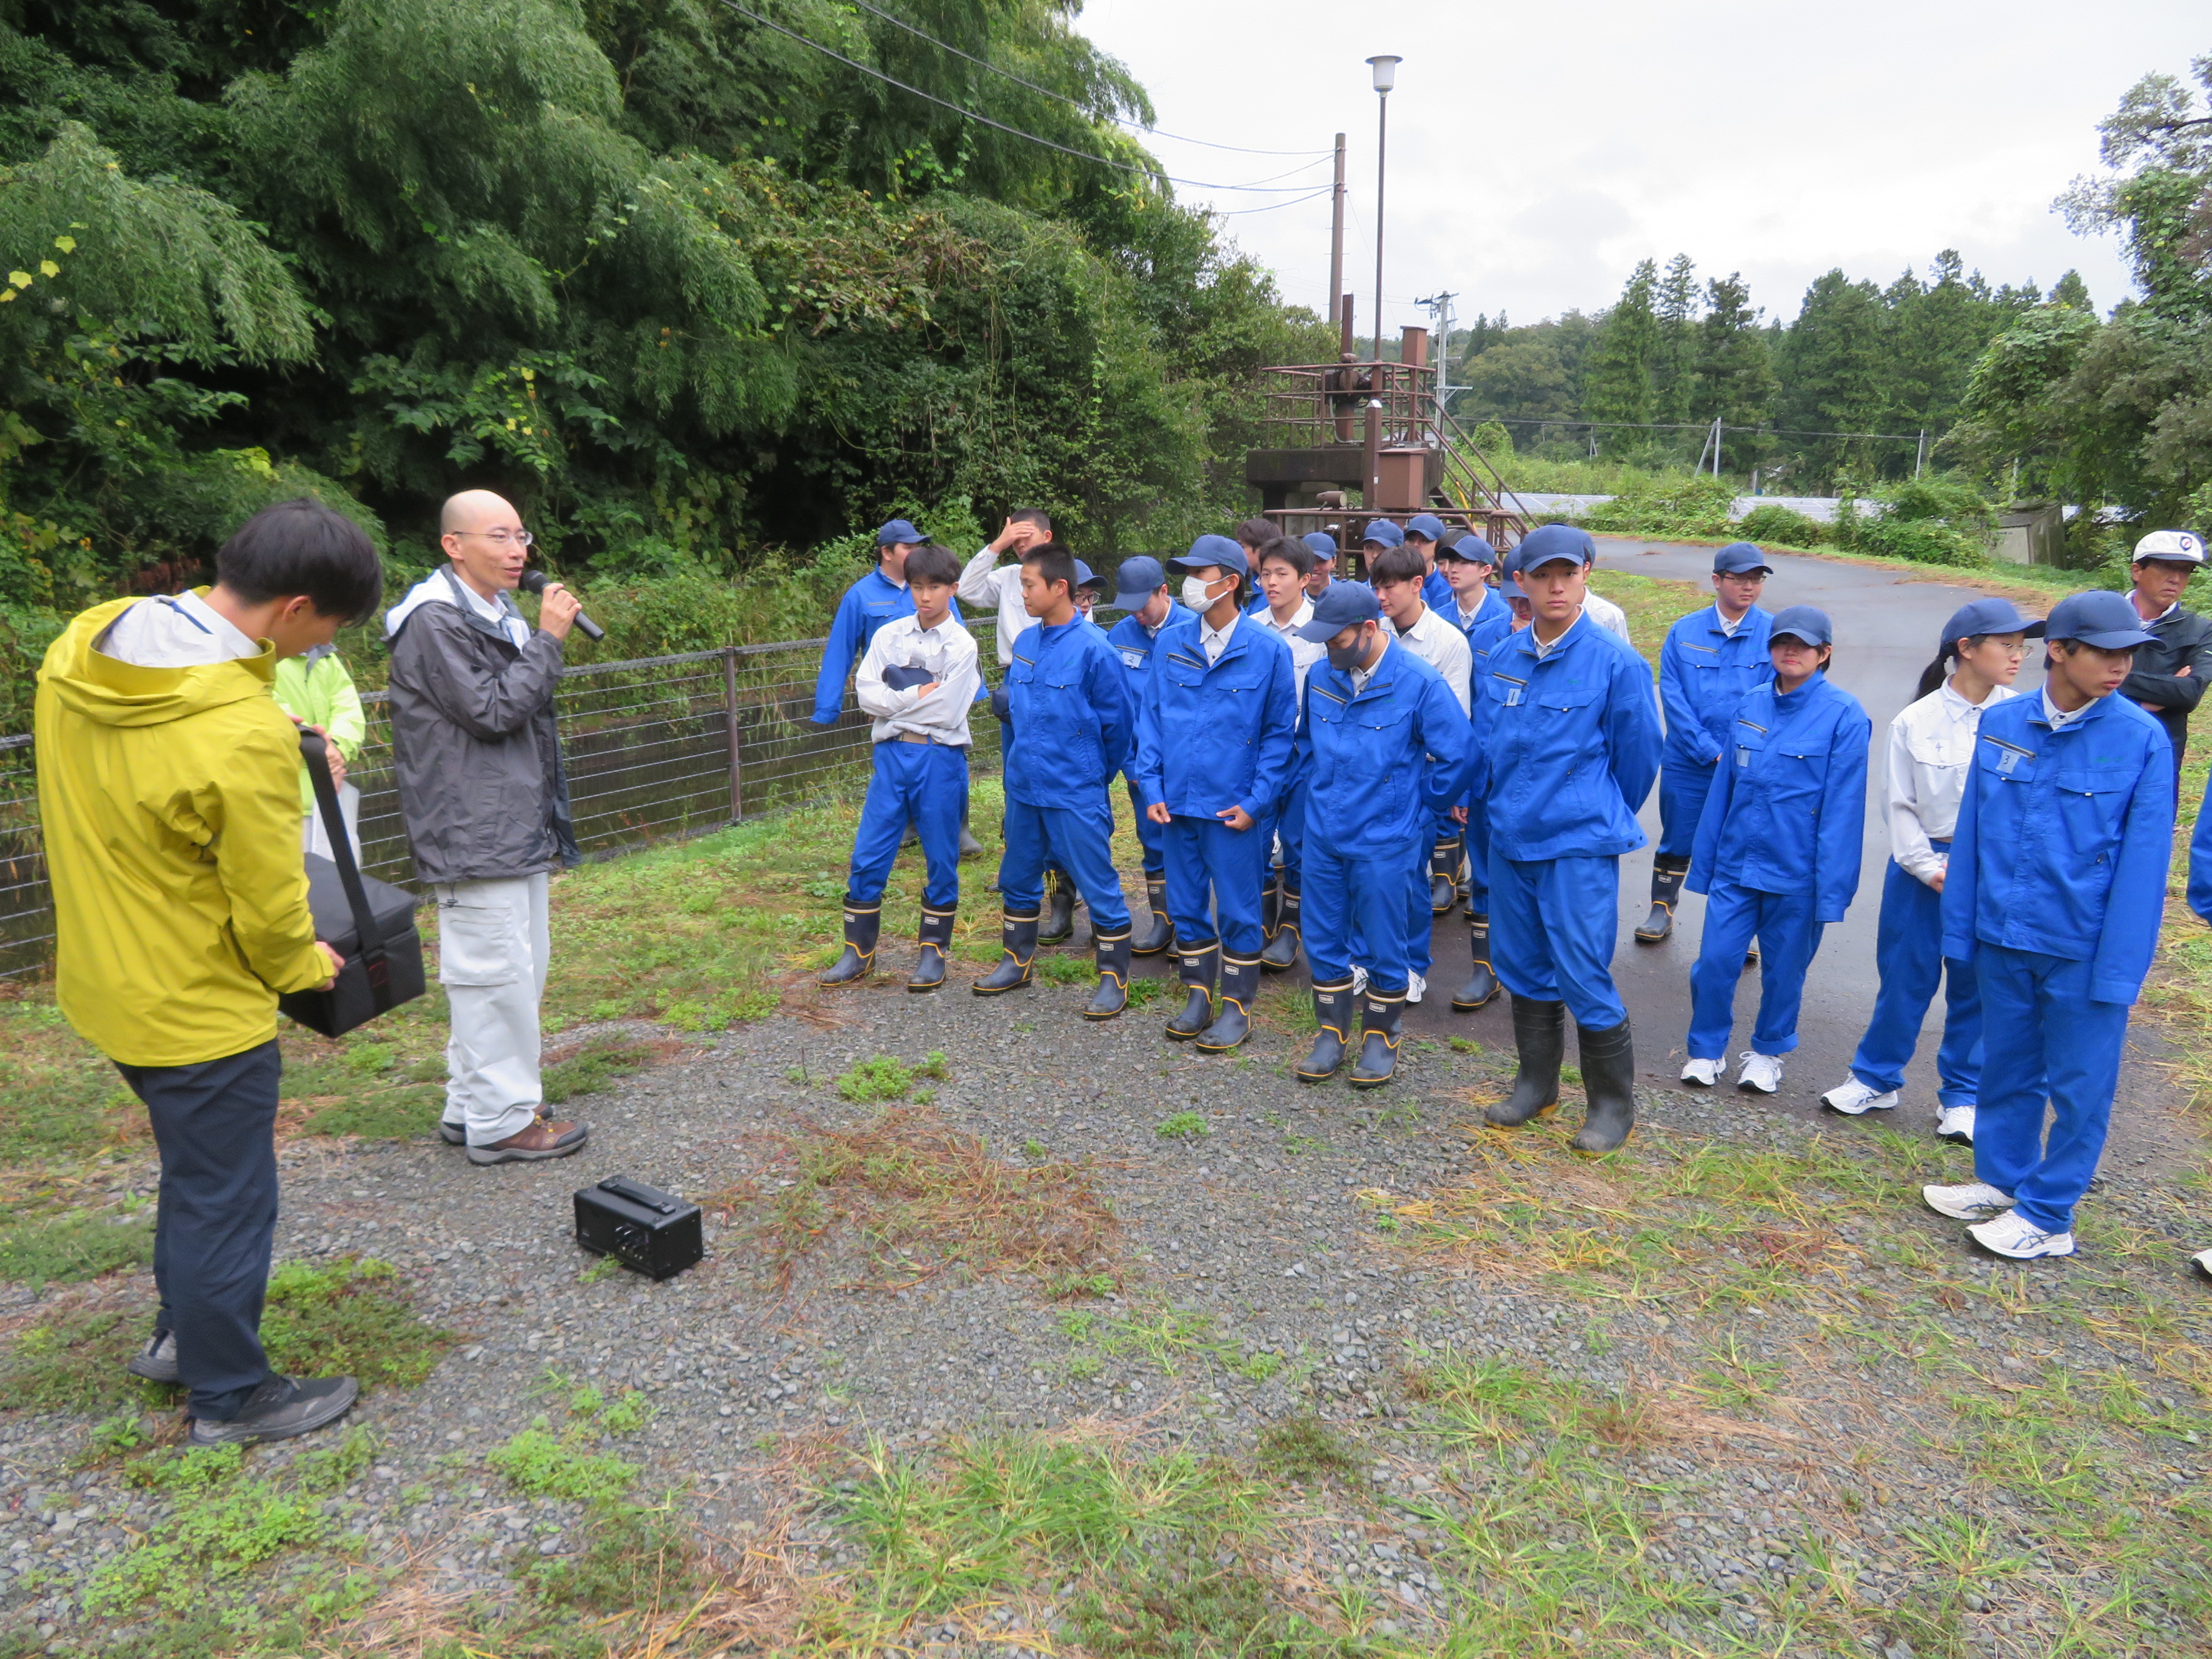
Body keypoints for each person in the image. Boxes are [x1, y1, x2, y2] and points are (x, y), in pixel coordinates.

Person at [36, 497, 378, 1445]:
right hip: (196, 1005)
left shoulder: (86, 645)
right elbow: (271, 912)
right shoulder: (241, 731)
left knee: (195, 1175)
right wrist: (307, 964)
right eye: (326, 632)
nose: (321, 649)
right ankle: (230, 1393)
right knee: (229, 1196)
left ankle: (179, 1338)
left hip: (104, 977)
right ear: (295, 609)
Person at [1923, 591, 2173, 1260]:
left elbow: (2145, 864)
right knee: (2007, 1066)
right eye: (2107, 653)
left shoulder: (2140, 739)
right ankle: (2003, 1180)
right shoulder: (2005, 722)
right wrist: (1961, 931)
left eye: (2130, 654)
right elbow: (1973, 833)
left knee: (2080, 1086)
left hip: (2081, 947)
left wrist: (2118, 969)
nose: (2122, 666)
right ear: (2059, 651)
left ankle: (2049, 1215)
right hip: (2003, 936)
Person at [386, 490, 589, 1166]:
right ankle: (501, 1122)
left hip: (512, 821)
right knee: (492, 976)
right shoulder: (433, 621)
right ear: (454, 545)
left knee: (515, 972)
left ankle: (473, 1104)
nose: (516, 551)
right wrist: (550, 640)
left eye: (520, 536)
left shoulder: (495, 612)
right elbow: (494, 710)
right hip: (472, 825)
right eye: (498, 537)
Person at [1820, 600, 2043, 1142]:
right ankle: (1875, 1078)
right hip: (1923, 870)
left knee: (1976, 984)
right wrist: (1927, 867)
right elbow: (1899, 805)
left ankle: (1963, 1095)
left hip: (1993, 871)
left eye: (2022, 647)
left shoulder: (2024, 718)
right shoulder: (1915, 720)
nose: (2018, 656)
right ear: (1965, 649)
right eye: (2007, 645)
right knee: (1905, 977)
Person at [1477, 525, 1663, 1155]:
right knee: (1521, 964)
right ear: (1520, 582)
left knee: (1581, 970)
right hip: (1511, 839)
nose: (1556, 586)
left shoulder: (1616, 662)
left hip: (1577, 845)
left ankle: (1611, 1105)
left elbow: (1639, 758)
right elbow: (1491, 747)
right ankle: (1537, 1085)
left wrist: (1591, 810)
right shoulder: (1503, 658)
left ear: (1587, 575)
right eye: (1542, 575)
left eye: (1568, 573)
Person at [1678, 607, 1871, 1096]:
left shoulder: (1845, 715)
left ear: (1824, 654)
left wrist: (1832, 890)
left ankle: (1767, 1055)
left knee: (1785, 973)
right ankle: (1706, 1051)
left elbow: (1844, 811)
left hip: (1797, 875)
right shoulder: (1751, 704)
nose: (1791, 651)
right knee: (1714, 963)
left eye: (1803, 645)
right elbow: (1723, 790)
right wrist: (1705, 865)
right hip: (1736, 866)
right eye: (1783, 642)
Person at [1290, 583, 1475, 1086]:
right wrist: (1313, 801)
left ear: (1369, 629)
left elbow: (1461, 754)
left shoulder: (1418, 682)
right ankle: (1331, 1034)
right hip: (1324, 834)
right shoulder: (1322, 677)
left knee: (1384, 941)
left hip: (1384, 840)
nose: (1329, 651)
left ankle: (1381, 1037)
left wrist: (1419, 807)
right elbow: (1305, 747)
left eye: (1336, 641)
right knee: (1323, 938)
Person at [1134, 535, 1298, 1050]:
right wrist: (1151, 784)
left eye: (1198, 574)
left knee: (1239, 910)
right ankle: (1198, 995)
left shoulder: (1268, 650)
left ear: (1229, 582)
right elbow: (1151, 719)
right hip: (1177, 805)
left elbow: (1279, 737)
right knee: (1185, 905)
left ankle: (1237, 1007)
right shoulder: (1171, 643)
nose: (1188, 584)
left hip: (1233, 810)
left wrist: (1257, 803)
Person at [973, 541, 1136, 1017]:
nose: (1022, 594)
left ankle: (1114, 979)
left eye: (1029, 585)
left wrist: (1090, 775)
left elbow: (1119, 728)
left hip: (1074, 789)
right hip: (1025, 788)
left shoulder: (1096, 651)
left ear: (1059, 587)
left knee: (1097, 880)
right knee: (1018, 876)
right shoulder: (1025, 644)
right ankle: (1017, 962)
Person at [819, 543, 980, 993]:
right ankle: (858, 953)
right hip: (890, 757)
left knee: (942, 856)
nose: (925, 596)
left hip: (939, 758)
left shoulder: (962, 645)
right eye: (917, 586)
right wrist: (916, 696)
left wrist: (894, 704)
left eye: (934, 587)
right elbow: (866, 696)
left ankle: (933, 953)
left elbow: (948, 711)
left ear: (952, 589)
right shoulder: (889, 636)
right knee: (869, 852)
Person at [1641, 543, 1775, 943]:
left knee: (1744, 841)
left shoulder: (1774, 633)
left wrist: (1737, 752)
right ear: (1717, 580)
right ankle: (1662, 908)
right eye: (1739, 578)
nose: (1749, 586)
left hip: (1747, 761)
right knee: (1678, 834)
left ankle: (1739, 929)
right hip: (1688, 760)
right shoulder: (1685, 631)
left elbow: (1773, 700)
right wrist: (1707, 749)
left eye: (1756, 578)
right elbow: (1673, 695)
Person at [1371, 541, 1473, 1002]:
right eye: (1376, 587)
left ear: (1418, 584)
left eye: (1389, 587)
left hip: (1417, 777)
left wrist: (1439, 794)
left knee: (1410, 876)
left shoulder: (1448, 642)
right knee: (1366, 875)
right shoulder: (1374, 632)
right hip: (1372, 775)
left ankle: (1412, 965)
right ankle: (1368, 959)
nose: (1381, 597)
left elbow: (1455, 725)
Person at [1105, 557, 1195, 956]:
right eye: (1129, 606)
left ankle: (1192, 928)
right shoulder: (1119, 636)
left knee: (1191, 845)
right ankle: (1163, 922)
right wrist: (1131, 766)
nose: (1137, 614)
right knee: (1153, 841)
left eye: (1143, 604)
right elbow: (1116, 707)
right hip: (1144, 767)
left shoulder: (1195, 628)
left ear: (1164, 591)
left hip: (1189, 765)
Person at [1249, 538, 1327, 973]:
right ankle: (1261, 920)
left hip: (1305, 751)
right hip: (1260, 752)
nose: (1272, 582)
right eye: (1265, 574)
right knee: (1256, 836)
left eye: (1282, 574)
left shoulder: (1321, 629)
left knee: (1297, 841)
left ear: (1305, 579)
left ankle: (1291, 925)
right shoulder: (1250, 627)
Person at [2117, 528, 2212, 805]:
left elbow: (2189, 693)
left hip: (2160, 754)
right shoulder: (2101, 616)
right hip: (2097, 744)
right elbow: (2070, 680)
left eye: (2185, 571)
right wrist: (2146, 702)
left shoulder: (2200, 630)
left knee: (2152, 825)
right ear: (2137, 571)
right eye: (2166, 568)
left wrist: (2108, 681)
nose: (2176, 579)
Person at [811, 518, 927, 727]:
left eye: (917, 547)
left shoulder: (932, 587)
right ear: (887, 553)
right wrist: (827, 707)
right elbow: (840, 652)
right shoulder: (859, 595)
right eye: (908, 548)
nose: (916, 553)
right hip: (888, 702)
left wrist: (972, 690)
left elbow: (957, 636)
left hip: (932, 695)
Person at [272, 640, 367, 863]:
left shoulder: (325, 654)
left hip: (332, 800)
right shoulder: (256, 653)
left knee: (338, 878)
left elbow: (348, 706)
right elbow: (268, 708)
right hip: (278, 803)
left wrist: (338, 748)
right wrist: (318, 748)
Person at [1404, 514, 1458, 615]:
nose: (1416, 545)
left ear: (1439, 545)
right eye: (1411, 539)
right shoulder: (1395, 581)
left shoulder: (1450, 583)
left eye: (1425, 540)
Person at [1301, 531, 1340, 599]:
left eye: (1322, 561)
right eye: (1309, 561)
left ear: (1334, 562)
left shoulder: (1342, 596)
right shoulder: (1289, 596)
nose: (1314, 568)